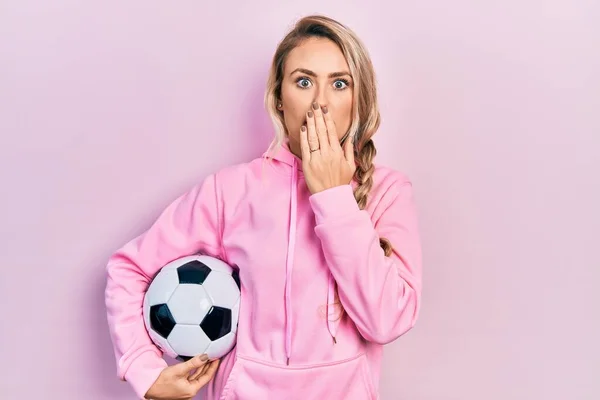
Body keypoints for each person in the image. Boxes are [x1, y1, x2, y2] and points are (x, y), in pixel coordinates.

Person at [105, 14, 422, 400]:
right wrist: (144, 369)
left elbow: (387, 321)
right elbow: (129, 268)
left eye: (340, 84)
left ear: (360, 100)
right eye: (303, 82)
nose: (320, 102)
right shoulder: (231, 190)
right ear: (278, 97)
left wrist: (333, 198)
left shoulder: (388, 191)